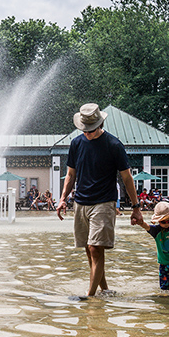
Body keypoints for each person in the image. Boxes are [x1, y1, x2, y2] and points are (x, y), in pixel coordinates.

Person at [56, 103, 142, 296]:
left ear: (99, 124)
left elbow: (127, 178)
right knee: (89, 250)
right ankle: (105, 291)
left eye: (91, 130)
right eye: (84, 130)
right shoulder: (76, 144)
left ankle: (90, 297)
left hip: (104, 202)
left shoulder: (113, 145)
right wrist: (63, 199)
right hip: (80, 203)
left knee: (95, 248)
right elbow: (70, 175)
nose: (87, 133)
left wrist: (136, 207)